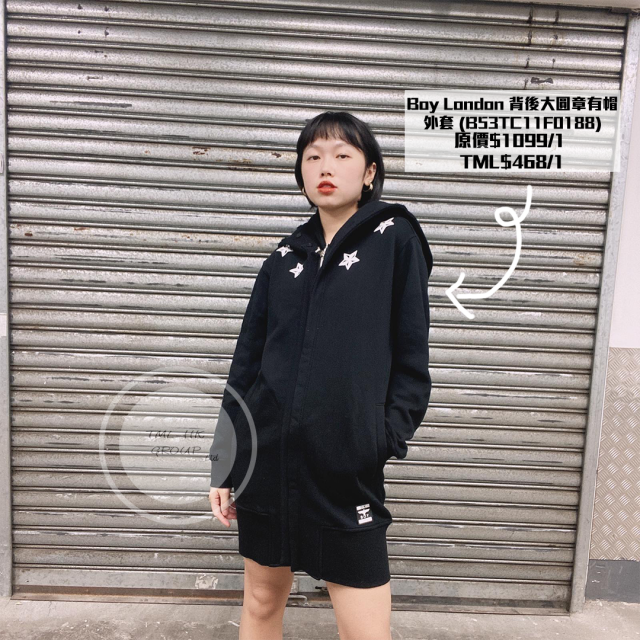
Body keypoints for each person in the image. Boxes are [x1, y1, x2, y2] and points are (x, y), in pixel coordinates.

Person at [208, 111, 433, 639]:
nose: (325, 167)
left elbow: (412, 359)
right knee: (261, 600)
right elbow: (246, 363)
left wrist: (376, 439)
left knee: (364, 628)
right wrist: (225, 459)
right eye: (312, 157)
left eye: (342, 155)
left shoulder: (395, 238)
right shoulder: (283, 258)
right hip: (267, 461)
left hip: (343, 467)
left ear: (370, 172)